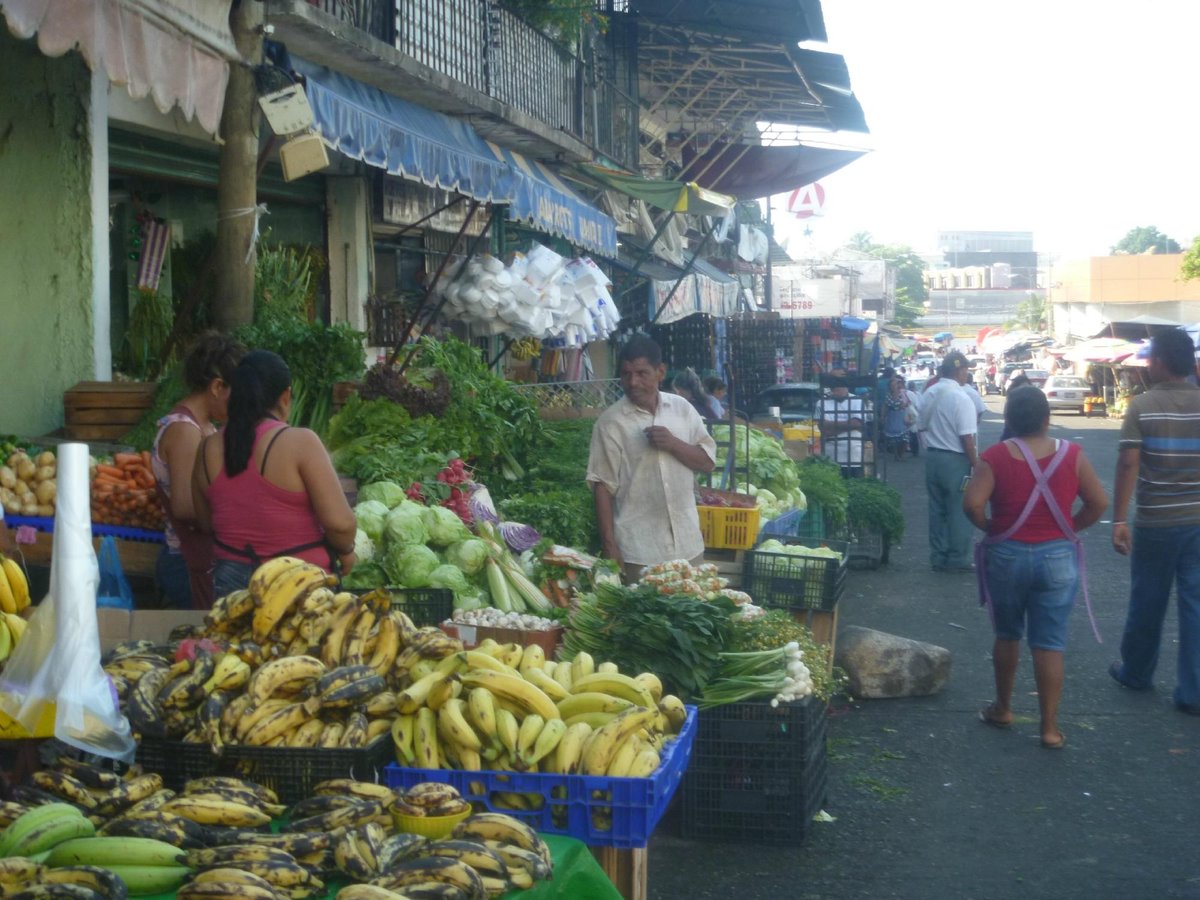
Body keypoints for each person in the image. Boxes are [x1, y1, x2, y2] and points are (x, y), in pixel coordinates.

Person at [964, 386, 1108, 749]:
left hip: (1008, 554)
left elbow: (972, 504)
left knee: (1008, 634)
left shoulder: (994, 456)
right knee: (1049, 642)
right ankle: (1049, 728)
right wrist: (1070, 527)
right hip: (1057, 556)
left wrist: (990, 527)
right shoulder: (1072, 454)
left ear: (1009, 420)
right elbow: (1098, 502)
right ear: (1047, 419)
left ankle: (1003, 708)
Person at [192, 350, 358, 597]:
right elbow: (341, 524)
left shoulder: (207, 448)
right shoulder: (300, 442)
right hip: (298, 584)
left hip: (231, 586)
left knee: (239, 638)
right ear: (285, 396)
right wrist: (346, 551)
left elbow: (207, 522)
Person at [1109, 329, 1200, 715]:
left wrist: (1118, 519)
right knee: (1196, 605)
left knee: (1148, 600)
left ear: (1161, 362)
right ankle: (1193, 692)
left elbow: (1129, 462)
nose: (1146, 365)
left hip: (1156, 522)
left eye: (1149, 358)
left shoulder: (1142, 406)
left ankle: (1138, 672)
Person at [587, 336, 716, 584]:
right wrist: (610, 546)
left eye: (642, 373)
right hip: (640, 552)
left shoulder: (682, 409)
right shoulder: (610, 423)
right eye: (626, 374)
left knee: (691, 619)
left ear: (660, 372)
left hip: (689, 545)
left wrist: (673, 444)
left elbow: (707, 462)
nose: (633, 382)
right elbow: (602, 487)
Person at [152, 332, 245, 610]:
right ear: (217, 387)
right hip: (185, 560)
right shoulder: (184, 430)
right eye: (236, 395)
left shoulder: (207, 427)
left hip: (203, 557)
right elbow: (184, 505)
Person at [917, 351, 979, 572]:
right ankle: (957, 558)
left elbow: (920, 425)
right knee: (959, 510)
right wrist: (976, 464)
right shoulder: (962, 397)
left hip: (933, 458)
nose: (967, 374)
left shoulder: (929, 393)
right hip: (956, 460)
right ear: (959, 371)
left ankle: (938, 556)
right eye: (966, 370)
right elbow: (967, 439)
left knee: (936, 510)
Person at [817, 368, 867, 477]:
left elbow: (857, 424)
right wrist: (849, 426)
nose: (835, 383)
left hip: (853, 456)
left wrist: (831, 425)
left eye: (839, 378)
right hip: (830, 456)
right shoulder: (821, 403)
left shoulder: (857, 401)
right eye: (832, 379)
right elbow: (823, 428)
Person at [882, 375, 911, 461]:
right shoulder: (888, 395)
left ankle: (900, 454)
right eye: (894, 385)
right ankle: (897, 455)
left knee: (905, 439)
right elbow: (888, 405)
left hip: (902, 416)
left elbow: (908, 403)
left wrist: (905, 405)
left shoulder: (903, 393)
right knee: (894, 440)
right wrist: (883, 416)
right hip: (893, 417)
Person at [998, 374, 1031, 442]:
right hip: (1012, 433)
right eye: (1022, 387)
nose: (1025, 390)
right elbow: (1007, 416)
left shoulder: (1033, 399)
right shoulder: (1012, 399)